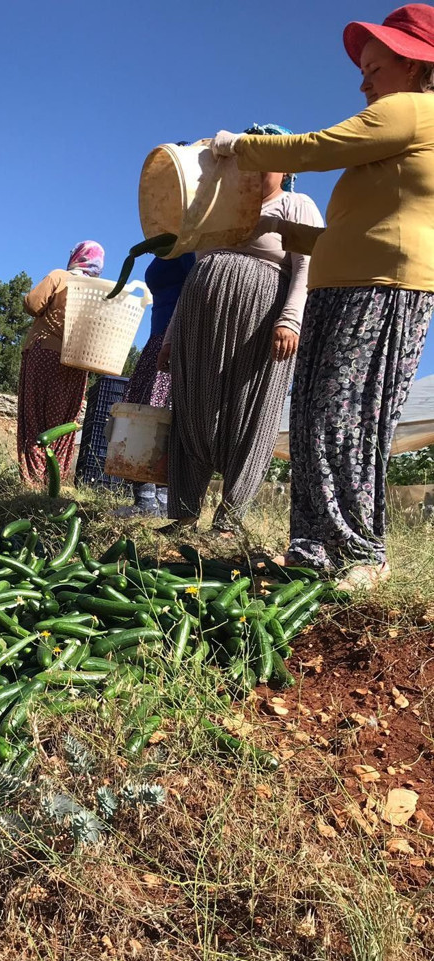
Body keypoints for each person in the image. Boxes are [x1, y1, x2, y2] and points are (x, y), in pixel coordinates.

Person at [212, 4, 434, 589]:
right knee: (313, 417)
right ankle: (313, 547)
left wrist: (239, 146)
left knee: (346, 417)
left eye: (375, 68)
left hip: (382, 288)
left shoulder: (414, 109)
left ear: (415, 66)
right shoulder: (397, 135)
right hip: (343, 288)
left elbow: (315, 147)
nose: (364, 83)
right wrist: (283, 231)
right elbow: (351, 231)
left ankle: (362, 552)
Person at [158, 126, 324, 537]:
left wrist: (291, 319)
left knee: (252, 411)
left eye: (263, 157)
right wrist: (171, 336)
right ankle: (184, 513)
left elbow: (307, 268)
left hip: (261, 322)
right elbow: (198, 269)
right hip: (199, 320)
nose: (252, 166)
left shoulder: (296, 204)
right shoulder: (220, 205)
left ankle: (229, 520)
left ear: (285, 168)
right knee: (191, 407)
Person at [112, 248, 196, 518]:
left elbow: (197, 283)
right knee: (150, 412)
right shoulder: (170, 246)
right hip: (160, 336)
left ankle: (151, 501)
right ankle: (155, 500)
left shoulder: (190, 247)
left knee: (153, 414)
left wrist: (173, 340)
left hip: (173, 339)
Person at [17, 241, 105, 485]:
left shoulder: (60, 277)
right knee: (64, 424)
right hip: (77, 364)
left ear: (77, 256)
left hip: (45, 354)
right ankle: (54, 481)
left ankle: (33, 481)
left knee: (35, 418)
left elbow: (32, 304)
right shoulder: (98, 292)